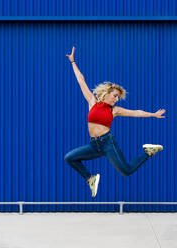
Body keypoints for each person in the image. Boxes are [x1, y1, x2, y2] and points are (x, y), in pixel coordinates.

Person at [64, 46, 165, 197]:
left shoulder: (114, 110)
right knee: (69, 158)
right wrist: (73, 62)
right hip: (94, 144)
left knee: (126, 171)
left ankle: (148, 152)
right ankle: (90, 178)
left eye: (118, 97)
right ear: (106, 93)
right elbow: (81, 80)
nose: (117, 99)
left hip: (107, 143)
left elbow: (136, 112)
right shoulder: (92, 102)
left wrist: (153, 114)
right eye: (115, 95)